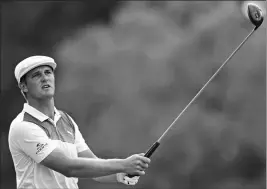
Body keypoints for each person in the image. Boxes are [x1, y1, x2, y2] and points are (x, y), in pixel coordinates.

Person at [8, 55, 151, 189]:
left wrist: (120, 175)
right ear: (24, 87)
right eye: (36, 75)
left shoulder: (66, 120)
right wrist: (124, 164)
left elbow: (93, 166)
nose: (45, 78)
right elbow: (69, 168)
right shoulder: (23, 126)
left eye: (48, 72)